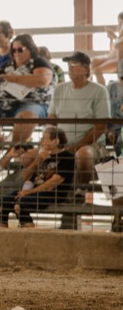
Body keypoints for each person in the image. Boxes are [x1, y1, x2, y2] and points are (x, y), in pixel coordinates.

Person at [46, 52, 111, 227]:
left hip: (93, 146)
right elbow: (51, 119)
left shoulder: (99, 91)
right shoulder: (59, 89)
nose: (70, 68)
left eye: (74, 64)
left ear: (86, 69)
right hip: (62, 145)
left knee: (82, 155)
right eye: (69, 64)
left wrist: (76, 146)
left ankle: (81, 193)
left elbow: (101, 126)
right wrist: (51, 142)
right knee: (32, 156)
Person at [0, 127, 74, 228]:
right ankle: (2, 233)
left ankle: (28, 232)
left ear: (55, 141)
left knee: (20, 204)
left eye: (44, 138)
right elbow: (24, 177)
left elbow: (51, 184)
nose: (41, 141)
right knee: (3, 202)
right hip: (34, 191)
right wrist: (38, 160)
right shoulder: (43, 155)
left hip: (52, 194)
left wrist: (27, 192)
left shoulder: (67, 157)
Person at [0, 34, 55, 143]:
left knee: (24, 117)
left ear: (30, 49)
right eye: (13, 50)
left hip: (34, 104)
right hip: (5, 105)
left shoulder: (39, 62)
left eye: (20, 50)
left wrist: (13, 79)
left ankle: (14, 149)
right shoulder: (8, 65)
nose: (16, 53)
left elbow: (42, 80)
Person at [93, 11, 123, 85]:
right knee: (93, 62)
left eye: (121, 24)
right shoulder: (119, 37)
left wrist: (115, 37)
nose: (119, 27)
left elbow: (119, 48)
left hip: (118, 61)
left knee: (97, 70)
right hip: (112, 58)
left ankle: (102, 89)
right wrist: (111, 39)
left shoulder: (120, 39)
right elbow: (112, 51)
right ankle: (88, 84)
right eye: (119, 24)